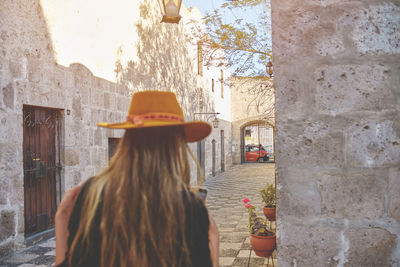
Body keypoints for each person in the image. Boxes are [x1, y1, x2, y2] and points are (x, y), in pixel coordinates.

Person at [55, 91, 219, 267]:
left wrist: (61, 220)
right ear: (176, 145)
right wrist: (213, 238)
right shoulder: (190, 209)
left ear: (128, 139)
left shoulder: (92, 194)